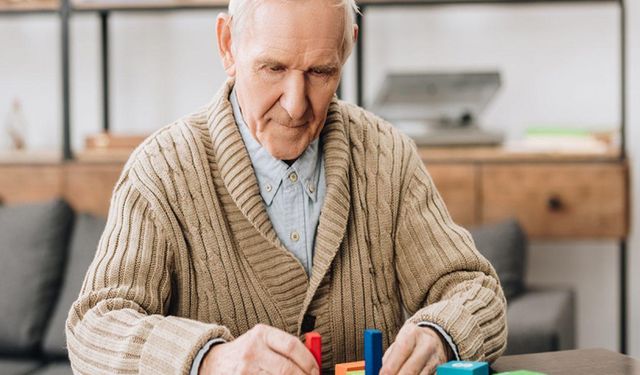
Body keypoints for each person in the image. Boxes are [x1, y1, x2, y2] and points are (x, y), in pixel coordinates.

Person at [66, 0, 507, 373]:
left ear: (347, 47)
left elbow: (476, 289)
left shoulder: (386, 156)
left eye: (320, 72)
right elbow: (93, 327)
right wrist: (211, 360)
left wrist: (442, 333)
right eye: (273, 68)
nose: (296, 105)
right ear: (227, 46)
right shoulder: (161, 170)